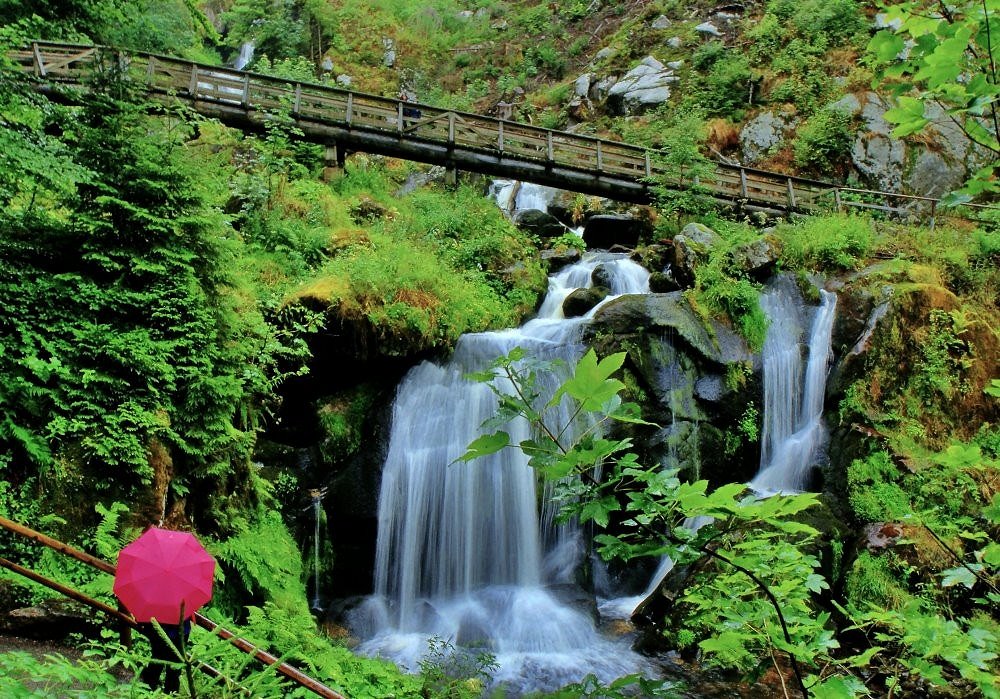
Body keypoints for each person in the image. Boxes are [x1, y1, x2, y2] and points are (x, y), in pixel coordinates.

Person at [138, 619, 191, 693]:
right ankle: (170, 693)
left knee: (158, 662)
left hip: (160, 627)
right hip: (178, 629)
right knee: (172, 667)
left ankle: (147, 689)